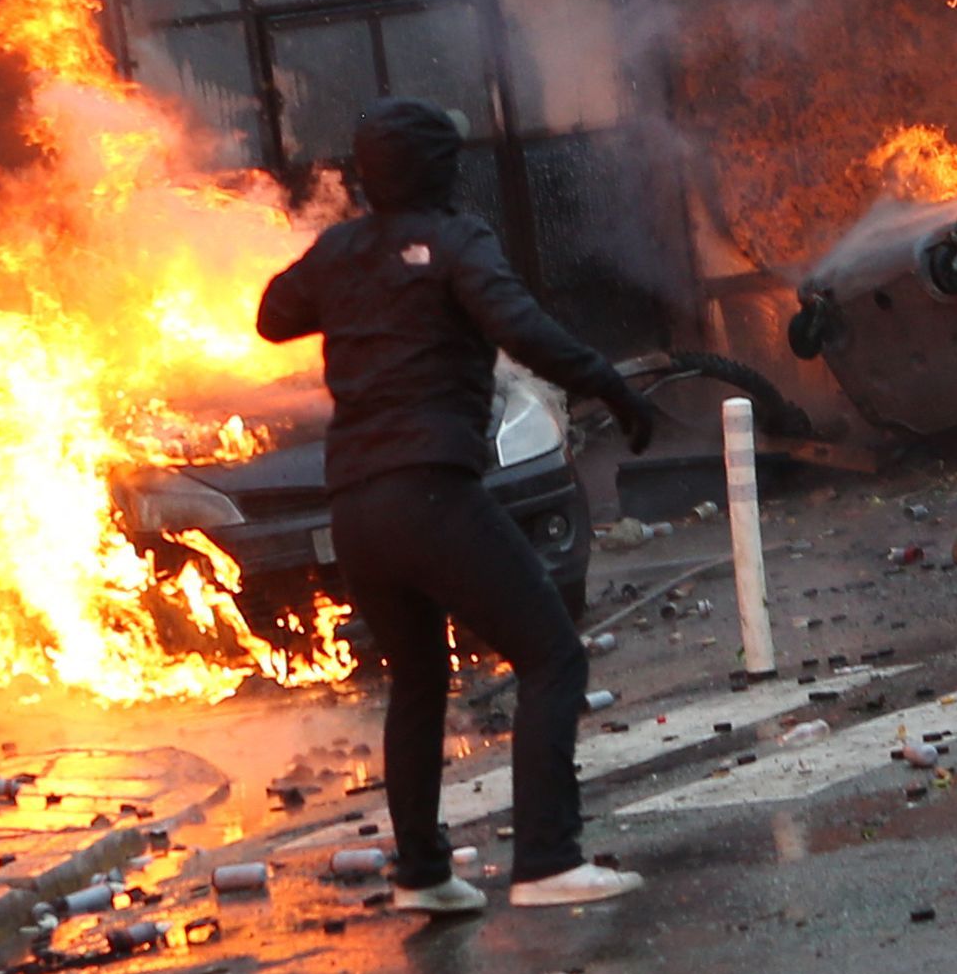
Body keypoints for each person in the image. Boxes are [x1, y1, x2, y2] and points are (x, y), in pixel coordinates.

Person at [258, 98, 662, 913]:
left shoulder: (339, 250)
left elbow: (273, 314)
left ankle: (423, 874)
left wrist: (356, 269)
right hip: (432, 489)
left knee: (417, 676)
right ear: (447, 171)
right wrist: (614, 388)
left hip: (357, 509)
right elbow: (527, 330)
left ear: (366, 175)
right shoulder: (456, 240)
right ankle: (548, 859)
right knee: (551, 654)